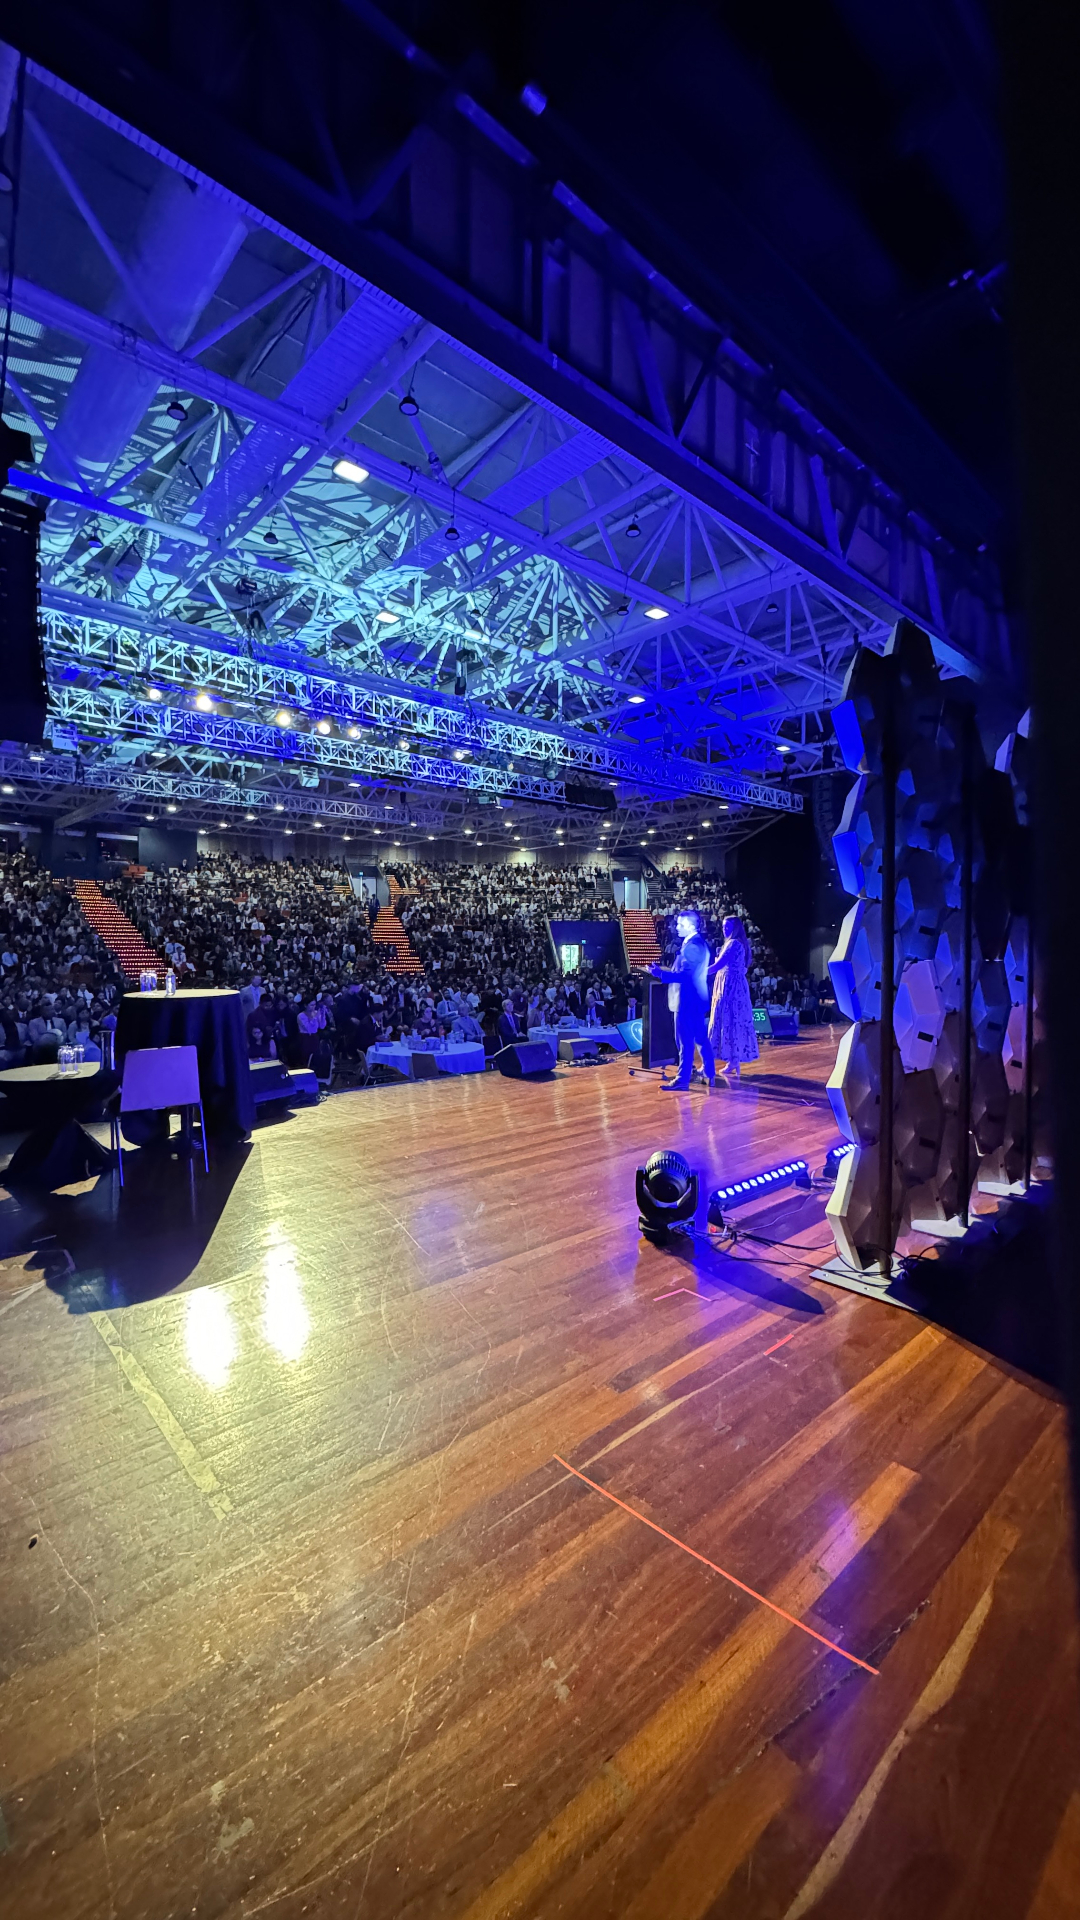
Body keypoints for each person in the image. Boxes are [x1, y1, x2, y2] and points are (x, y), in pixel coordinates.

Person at [649, 910, 715, 1092]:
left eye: (680, 924)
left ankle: (682, 1079)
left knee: (684, 1041)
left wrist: (660, 974)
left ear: (691, 926)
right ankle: (709, 1072)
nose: (676, 927)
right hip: (695, 999)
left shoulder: (692, 946)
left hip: (687, 1000)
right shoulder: (697, 943)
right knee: (700, 1038)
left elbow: (685, 975)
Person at [707, 916, 759, 1082]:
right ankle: (733, 1060)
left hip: (730, 988)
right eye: (723, 927)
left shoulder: (733, 944)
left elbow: (718, 965)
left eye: (728, 927)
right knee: (731, 1021)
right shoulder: (734, 943)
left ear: (736, 928)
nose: (724, 930)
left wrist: (697, 973)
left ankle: (731, 1060)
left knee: (729, 1020)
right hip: (731, 986)